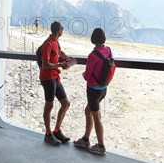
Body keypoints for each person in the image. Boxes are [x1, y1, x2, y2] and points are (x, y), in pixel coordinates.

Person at [74, 27, 111, 155]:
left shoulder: (92, 55)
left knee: (96, 118)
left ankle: (101, 147)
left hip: (93, 91)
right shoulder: (108, 51)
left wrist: (83, 74)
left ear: (93, 39)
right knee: (88, 111)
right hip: (103, 89)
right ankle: (85, 139)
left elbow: (87, 76)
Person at [39, 21, 70, 145]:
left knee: (66, 104)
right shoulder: (47, 44)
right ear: (59, 30)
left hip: (55, 77)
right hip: (47, 78)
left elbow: (59, 53)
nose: (62, 31)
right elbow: (45, 64)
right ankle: (48, 134)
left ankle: (56, 130)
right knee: (49, 106)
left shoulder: (56, 42)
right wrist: (60, 64)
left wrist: (66, 58)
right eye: (62, 29)